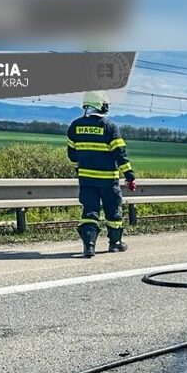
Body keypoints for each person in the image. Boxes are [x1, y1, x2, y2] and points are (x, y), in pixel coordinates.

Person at [67, 90, 136, 258]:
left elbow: (72, 155)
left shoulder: (75, 126)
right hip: (108, 180)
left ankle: (89, 247)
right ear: (101, 105)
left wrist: (79, 169)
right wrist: (129, 175)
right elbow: (120, 153)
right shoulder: (109, 126)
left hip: (86, 180)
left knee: (89, 211)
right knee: (113, 211)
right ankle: (115, 244)